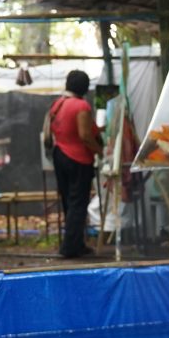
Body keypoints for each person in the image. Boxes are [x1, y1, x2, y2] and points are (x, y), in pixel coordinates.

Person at [49, 70, 103, 258]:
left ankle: (76, 243)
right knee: (78, 203)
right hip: (78, 158)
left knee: (68, 203)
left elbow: (51, 133)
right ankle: (70, 248)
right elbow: (85, 136)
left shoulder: (58, 104)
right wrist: (101, 151)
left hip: (59, 155)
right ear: (85, 87)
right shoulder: (81, 106)